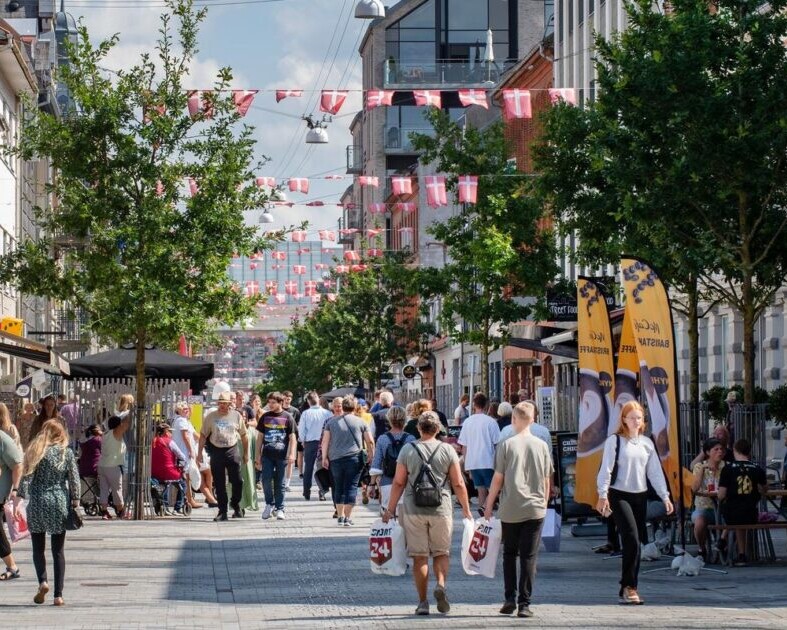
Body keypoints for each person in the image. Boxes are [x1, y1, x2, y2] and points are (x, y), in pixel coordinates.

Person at [383, 411, 473, 616]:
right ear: (438, 429)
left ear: (419, 428)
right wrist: (467, 510)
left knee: (419, 557)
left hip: (413, 509)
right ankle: (440, 585)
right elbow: (458, 483)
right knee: (441, 552)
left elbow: (398, 482)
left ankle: (423, 602)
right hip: (441, 509)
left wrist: (389, 510)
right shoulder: (447, 450)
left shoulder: (407, 449)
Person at [596, 401, 673, 605]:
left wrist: (664, 496)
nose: (636, 421)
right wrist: (602, 494)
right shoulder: (615, 441)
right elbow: (606, 469)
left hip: (640, 495)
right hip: (619, 494)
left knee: (637, 542)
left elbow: (654, 472)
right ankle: (630, 587)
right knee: (630, 538)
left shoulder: (647, 443)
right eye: (632, 418)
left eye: (639, 418)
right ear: (623, 419)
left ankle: (627, 585)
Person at [483, 401, 553, 618]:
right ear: (533, 419)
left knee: (510, 553)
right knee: (529, 556)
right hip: (535, 508)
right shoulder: (541, 445)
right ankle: (525, 603)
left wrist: (488, 506)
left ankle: (509, 599)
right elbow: (546, 479)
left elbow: (497, 479)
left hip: (510, 507)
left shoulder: (506, 445)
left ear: (514, 420)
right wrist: (544, 502)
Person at [13, 420, 79, 606]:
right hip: (58, 502)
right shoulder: (66, 453)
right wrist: (76, 501)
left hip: (38, 503)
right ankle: (58, 595)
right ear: (61, 434)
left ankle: (43, 581)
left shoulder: (35, 450)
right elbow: (74, 479)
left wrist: (18, 501)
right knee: (58, 550)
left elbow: (26, 479)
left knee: (38, 548)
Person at [321, 395, 374, 527]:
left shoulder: (331, 422)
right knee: (351, 487)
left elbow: (325, 442)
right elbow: (370, 441)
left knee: (338, 486)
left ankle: (340, 516)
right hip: (354, 458)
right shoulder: (361, 422)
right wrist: (371, 455)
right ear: (355, 407)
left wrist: (324, 457)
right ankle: (347, 518)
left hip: (335, 459)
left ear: (342, 407)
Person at [197, 390, 249, 521]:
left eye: (225, 403)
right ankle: (222, 511)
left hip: (232, 449)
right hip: (217, 450)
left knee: (237, 480)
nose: (222, 406)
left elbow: (244, 435)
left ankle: (235, 503)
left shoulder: (236, 415)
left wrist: (246, 453)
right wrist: (199, 453)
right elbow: (203, 435)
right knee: (219, 483)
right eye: (220, 403)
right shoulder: (211, 416)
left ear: (230, 403)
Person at [717, 438, 767, 566]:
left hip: (731, 514)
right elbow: (764, 490)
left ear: (734, 450)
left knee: (733, 514)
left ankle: (723, 539)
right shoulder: (757, 469)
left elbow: (721, 495)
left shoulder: (728, 469)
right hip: (751, 514)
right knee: (741, 516)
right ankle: (741, 555)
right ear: (749, 452)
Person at [457, 393, 501, 516]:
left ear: (474, 405)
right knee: (495, 489)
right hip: (488, 460)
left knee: (481, 490)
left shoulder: (467, 422)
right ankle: (486, 509)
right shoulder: (491, 422)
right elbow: (498, 443)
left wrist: (467, 465)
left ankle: (484, 517)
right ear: (486, 405)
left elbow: (464, 446)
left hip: (473, 461)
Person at [255, 392, 296, 520]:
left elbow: (293, 438)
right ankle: (269, 504)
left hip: (281, 455)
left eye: (274, 402)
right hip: (267, 454)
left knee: (280, 482)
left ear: (280, 402)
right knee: (266, 480)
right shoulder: (265, 417)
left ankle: (280, 508)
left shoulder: (288, 417)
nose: (270, 405)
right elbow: (260, 437)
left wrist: (292, 453)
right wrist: (257, 455)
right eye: (269, 402)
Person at [369, 406, 416, 514]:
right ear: (404, 420)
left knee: (388, 516)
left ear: (389, 420)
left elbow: (376, 464)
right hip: (407, 484)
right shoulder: (411, 439)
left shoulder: (382, 439)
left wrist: (371, 485)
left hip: (387, 482)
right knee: (405, 519)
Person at [691, 438, 726, 560]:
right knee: (699, 522)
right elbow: (694, 489)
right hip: (704, 506)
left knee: (733, 519)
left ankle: (722, 546)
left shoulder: (725, 467)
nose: (720, 452)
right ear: (707, 452)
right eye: (716, 449)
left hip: (722, 508)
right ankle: (702, 548)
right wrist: (702, 470)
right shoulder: (699, 466)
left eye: (721, 449)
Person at [169, 402, 206, 509]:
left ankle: (189, 499)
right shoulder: (181, 420)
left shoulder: (184, 421)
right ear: (179, 410)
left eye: (187, 409)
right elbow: (185, 437)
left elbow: (194, 435)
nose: (187, 410)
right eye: (184, 409)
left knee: (187, 476)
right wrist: (191, 451)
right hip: (184, 452)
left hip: (184, 451)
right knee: (186, 477)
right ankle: (188, 500)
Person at [299, 391, 332, 501]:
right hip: (324, 442)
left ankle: (306, 491)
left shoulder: (306, 413)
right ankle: (322, 490)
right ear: (318, 400)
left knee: (308, 468)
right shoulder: (327, 413)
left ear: (308, 401)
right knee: (322, 467)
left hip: (311, 442)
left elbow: (302, 430)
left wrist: (303, 440)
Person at [0, 426, 23, 582]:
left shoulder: (2, 439)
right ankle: (12, 567)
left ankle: (13, 567)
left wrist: (15, 489)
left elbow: (17, 464)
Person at [98, 414, 131, 519]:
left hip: (102, 465)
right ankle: (121, 510)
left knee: (104, 489)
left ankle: (104, 512)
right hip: (113, 466)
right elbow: (126, 424)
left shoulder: (105, 434)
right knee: (117, 489)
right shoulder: (116, 433)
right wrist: (131, 410)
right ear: (118, 425)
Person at [151, 424, 187, 515]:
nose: (171, 433)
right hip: (169, 471)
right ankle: (177, 508)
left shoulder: (153, 441)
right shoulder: (169, 442)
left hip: (154, 471)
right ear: (166, 432)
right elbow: (181, 456)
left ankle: (165, 505)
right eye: (170, 431)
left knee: (164, 484)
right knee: (183, 484)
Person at [282, 391, 302, 485]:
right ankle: (280, 481)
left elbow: (298, 424)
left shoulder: (295, 411)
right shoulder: (279, 409)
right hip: (280, 438)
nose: (287, 401)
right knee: (280, 461)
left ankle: (287, 483)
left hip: (291, 438)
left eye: (288, 399)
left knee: (290, 461)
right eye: (285, 399)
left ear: (291, 399)